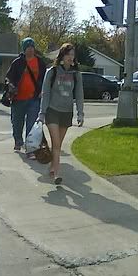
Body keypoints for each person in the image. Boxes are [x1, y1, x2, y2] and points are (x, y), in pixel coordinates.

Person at [38, 43, 84, 185]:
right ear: (62, 56)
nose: (71, 57)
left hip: (66, 112)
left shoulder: (76, 74)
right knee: (56, 144)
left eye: (72, 54)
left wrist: (80, 113)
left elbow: (79, 94)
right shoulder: (52, 72)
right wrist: (42, 112)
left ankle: (52, 167)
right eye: (68, 54)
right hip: (52, 111)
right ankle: (57, 174)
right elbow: (45, 93)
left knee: (57, 145)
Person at [5, 37, 47, 157]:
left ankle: (30, 149)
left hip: (34, 99)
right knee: (17, 123)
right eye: (28, 47)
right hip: (18, 99)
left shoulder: (40, 62)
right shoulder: (17, 62)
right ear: (24, 49)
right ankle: (18, 141)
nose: (30, 50)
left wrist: (42, 91)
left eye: (32, 47)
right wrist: (11, 87)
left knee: (32, 124)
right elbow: (9, 77)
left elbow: (45, 79)